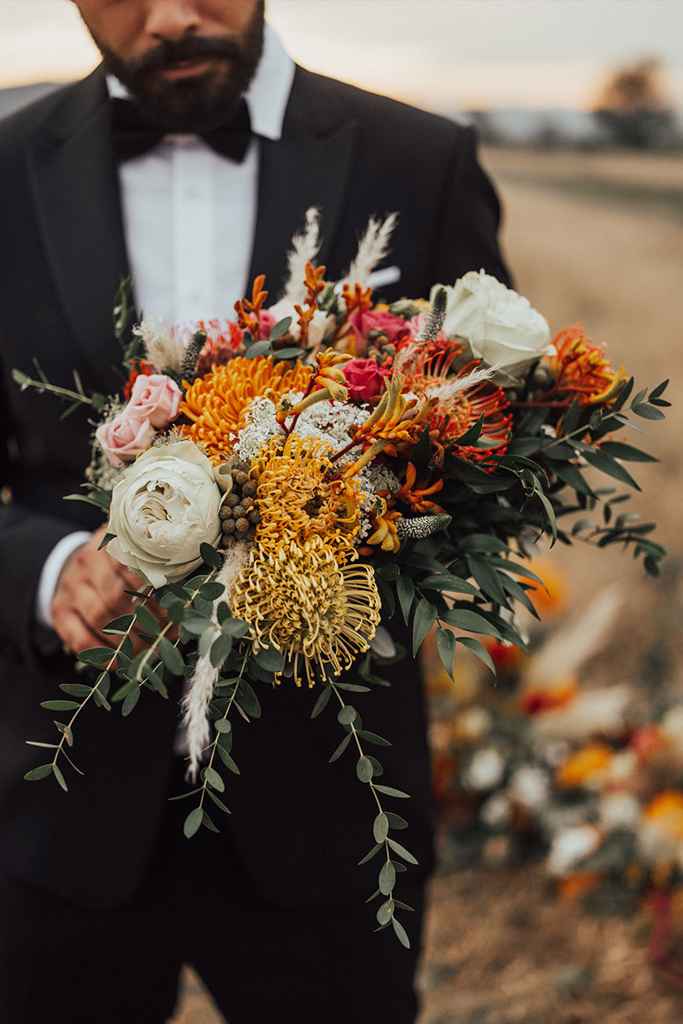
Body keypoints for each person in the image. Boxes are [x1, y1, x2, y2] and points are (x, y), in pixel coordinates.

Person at [0, 2, 510, 1021]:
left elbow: (490, 451)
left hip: (330, 806)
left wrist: (345, 537)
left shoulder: (419, 161)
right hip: (57, 807)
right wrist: (46, 570)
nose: (173, 18)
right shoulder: (3, 171)